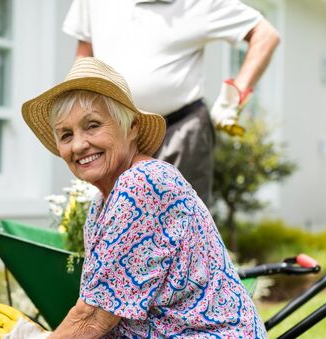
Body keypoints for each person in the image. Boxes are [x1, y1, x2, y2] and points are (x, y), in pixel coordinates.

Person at [0, 57, 266, 338]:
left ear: (132, 127)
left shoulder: (143, 183)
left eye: (92, 125)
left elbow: (96, 317)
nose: (78, 145)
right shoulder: (102, 206)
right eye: (65, 135)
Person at [62, 0, 280, 205]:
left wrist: (233, 98)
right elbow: (85, 53)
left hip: (180, 132)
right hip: (115, 133)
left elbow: (265, 35)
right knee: (115, 219)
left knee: (183, 224)